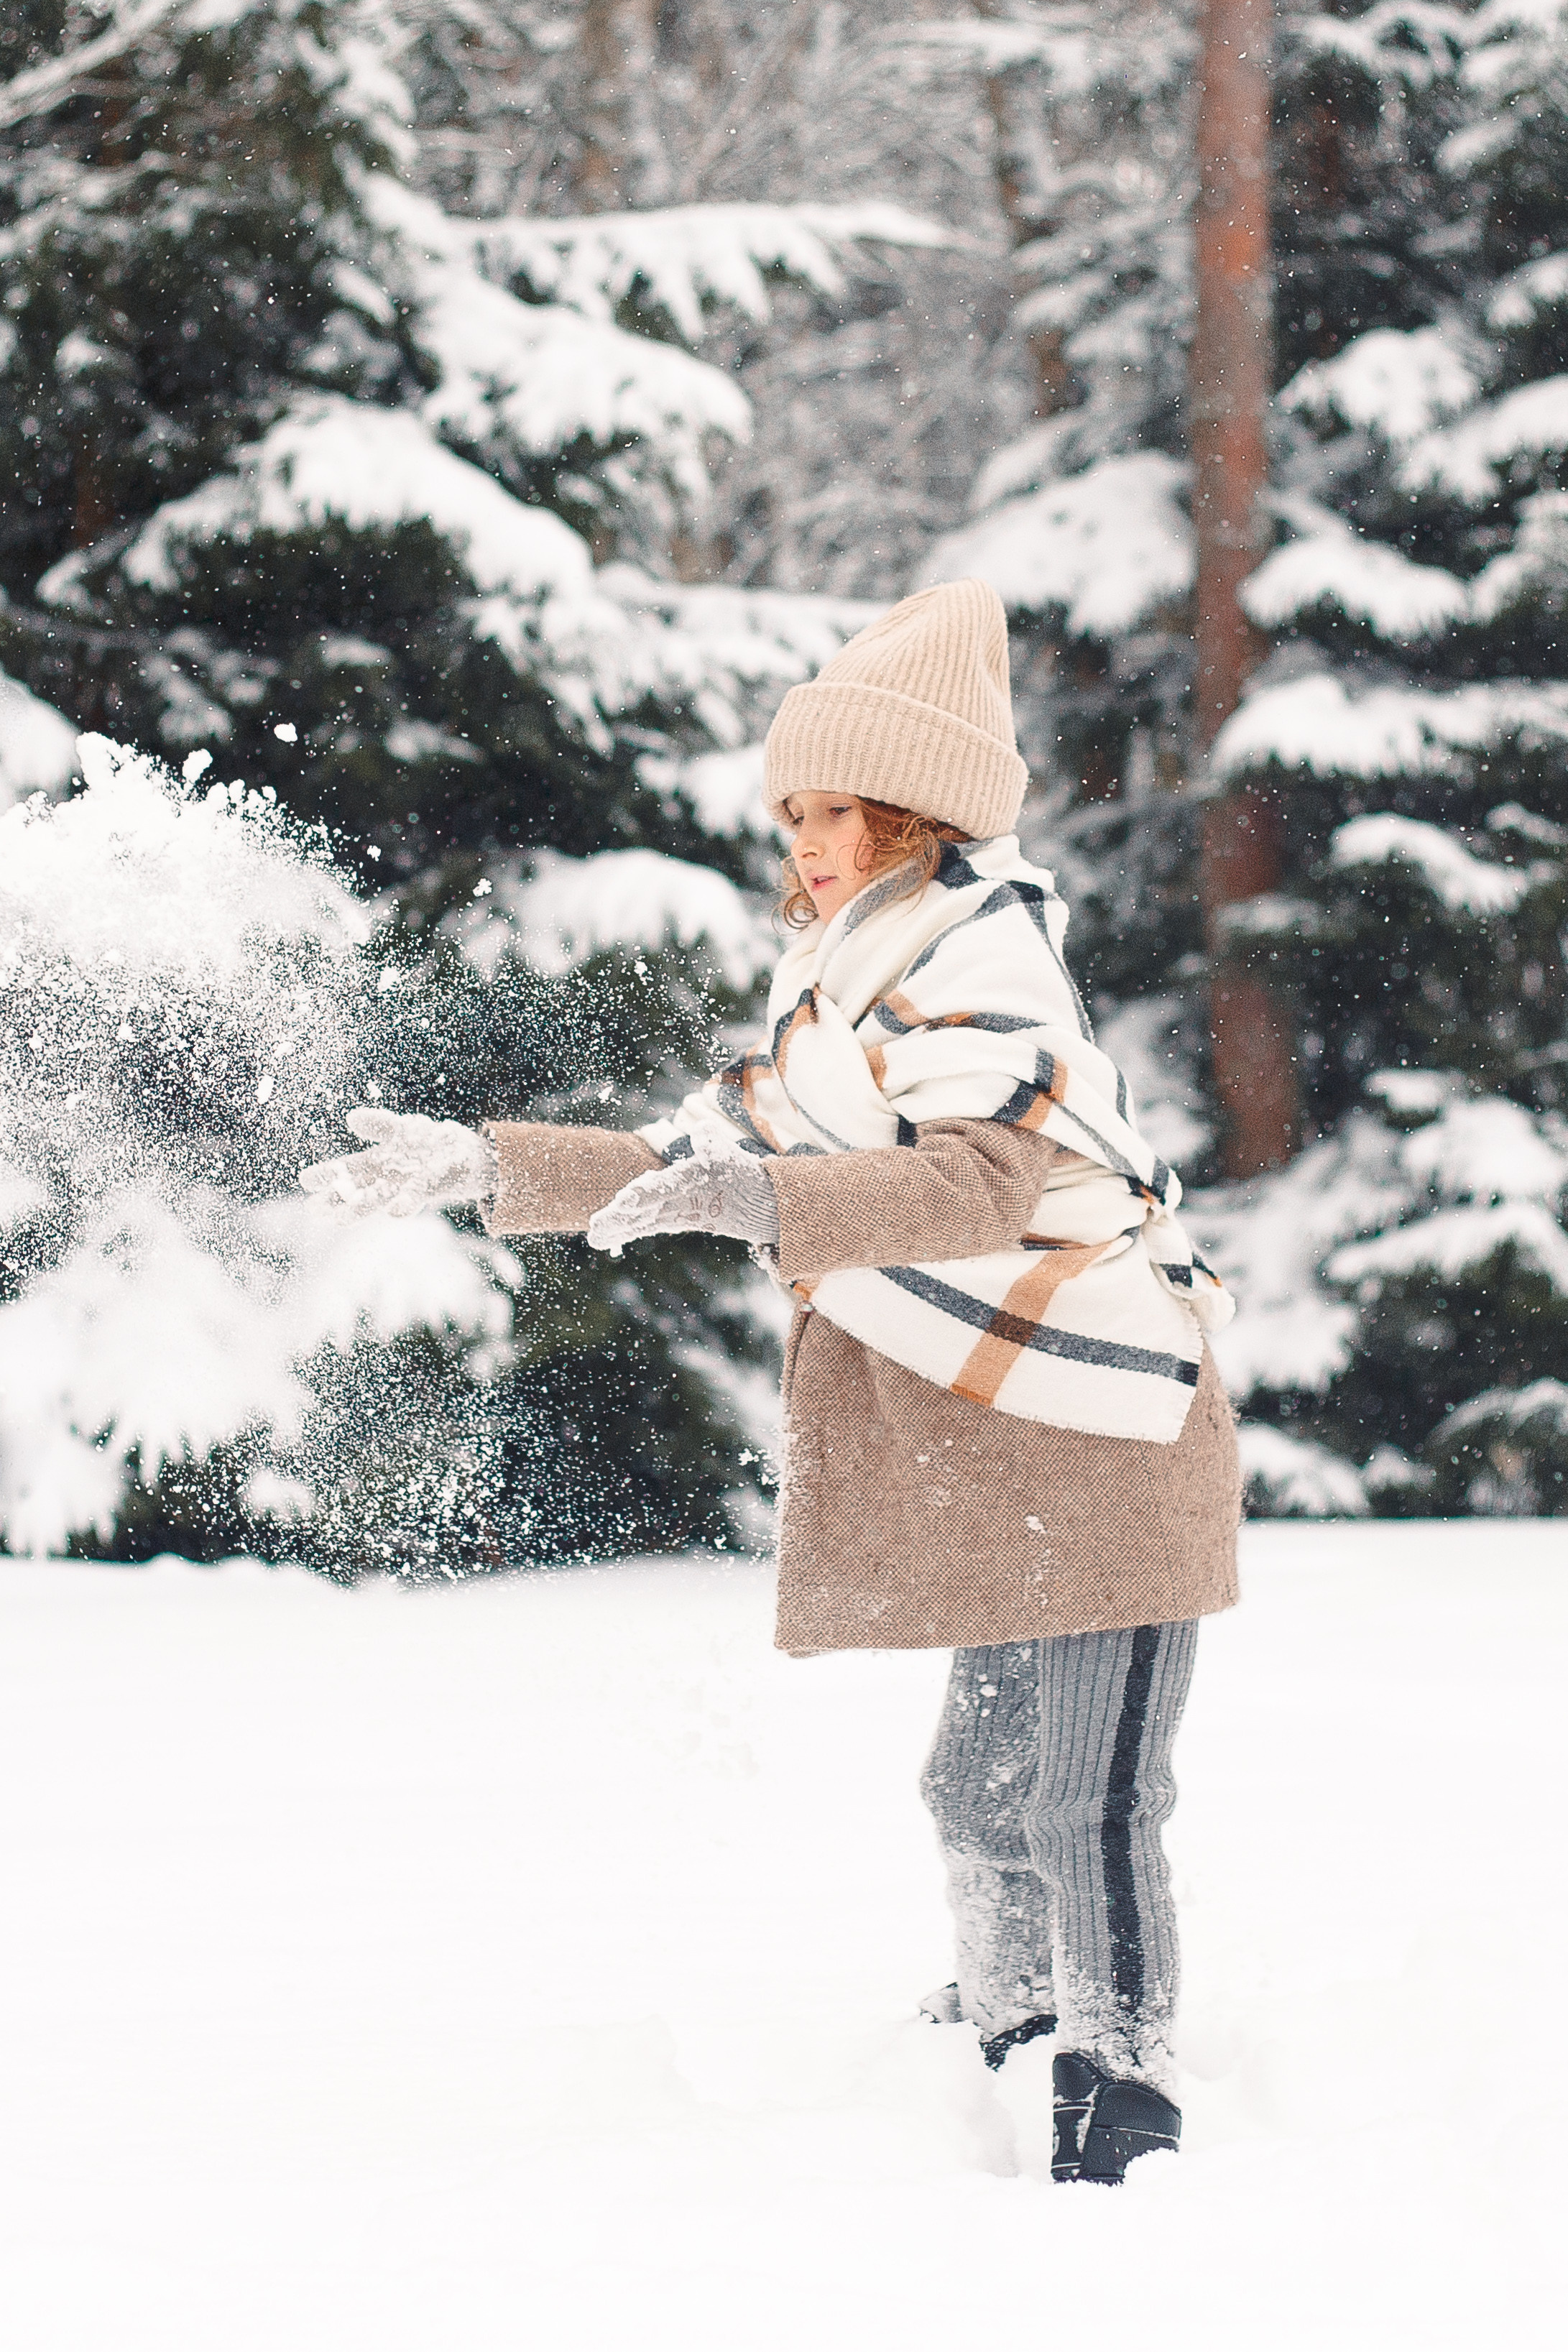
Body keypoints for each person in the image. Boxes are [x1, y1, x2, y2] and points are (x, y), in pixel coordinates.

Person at [300, 579, 1242, 2187]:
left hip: (1105, 1412)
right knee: (972, 1777)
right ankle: (1005, 2031)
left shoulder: (984, 957)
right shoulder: (838, 986)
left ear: (916, 811)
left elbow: (982, 1185)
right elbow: (699, 1152)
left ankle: (1119, 2092)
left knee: (1086, 1790)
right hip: (1006, 1436)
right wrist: (489, 1166)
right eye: (791, 811)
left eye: (836, 810)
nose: (804, 841)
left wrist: (758, 1200)